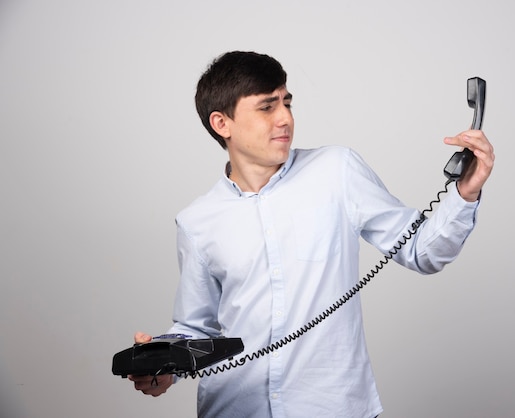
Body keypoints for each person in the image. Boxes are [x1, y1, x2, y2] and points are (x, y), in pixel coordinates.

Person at [128, 51, 495, 417]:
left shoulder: (338, 171)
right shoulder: (197, 220)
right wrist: (163, 366)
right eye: (267, 107)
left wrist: (465, 192)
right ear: (222, 123)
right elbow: (196, 325)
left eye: (286, 103)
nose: (285, 118)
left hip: (332, 407)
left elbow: (421, 250)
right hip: (234, 409)